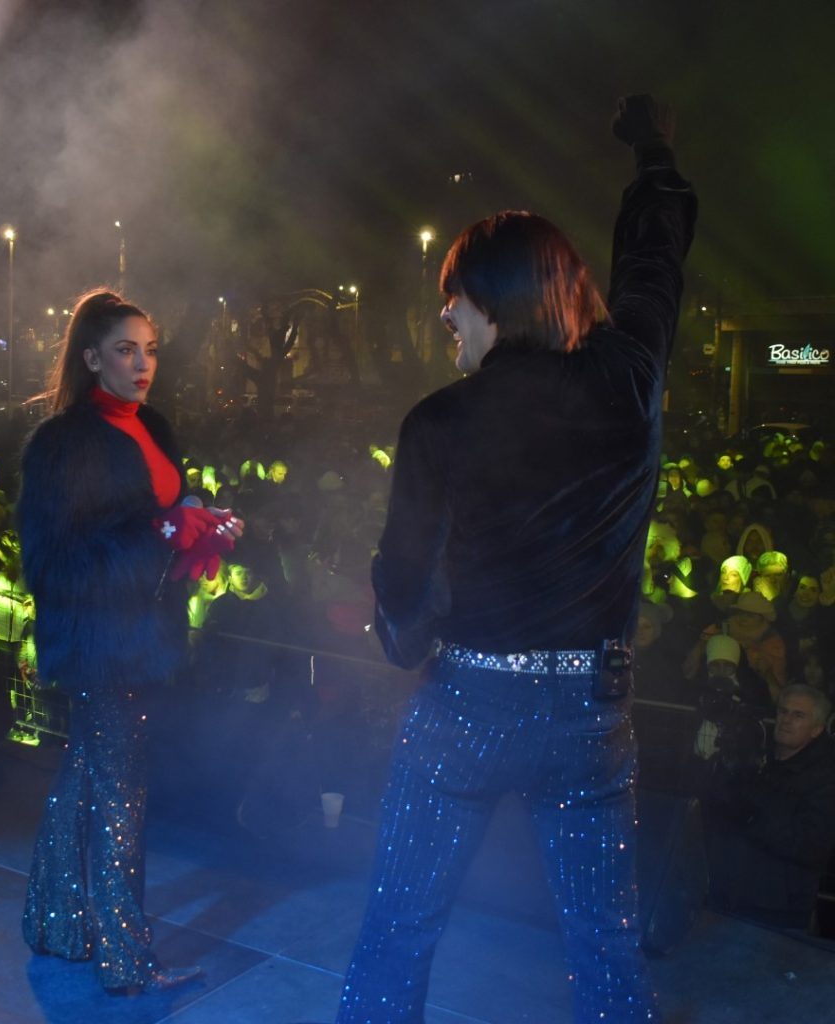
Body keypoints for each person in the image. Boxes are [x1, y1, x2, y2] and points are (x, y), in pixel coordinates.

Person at [337, 96, 696, 1024]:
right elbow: (654, 265)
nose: (444, 312)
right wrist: (654, 157)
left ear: (490, 299)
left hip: (467, 705)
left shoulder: (440, 421)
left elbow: (402, 578)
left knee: (398, 928)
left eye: (453, 294)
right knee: (606, 947)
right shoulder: (629, 380)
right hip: (589, 713)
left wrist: (403, 642)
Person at [16, 289, 241, 993]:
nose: (143, 364)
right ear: (91, 358)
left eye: (150, 350)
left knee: (87, 775)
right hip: (101, 642)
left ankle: (56, 922)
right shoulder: (61, 445)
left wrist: (197, 525)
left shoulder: (155, 427)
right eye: (125, 349)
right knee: (122, 796)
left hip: (140, 632)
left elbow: (160, 516)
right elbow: (52, 563)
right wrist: (161, 536)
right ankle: (124, 959)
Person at [704, 684, 835, 928]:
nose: (786, 720)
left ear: (817, 728)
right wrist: (721, 768)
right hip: (725, 890)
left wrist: (752, 818)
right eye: (783, 711)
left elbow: (813, 844)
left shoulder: (825, 777)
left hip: (776, 908)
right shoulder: (757, 756)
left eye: (798, 715)